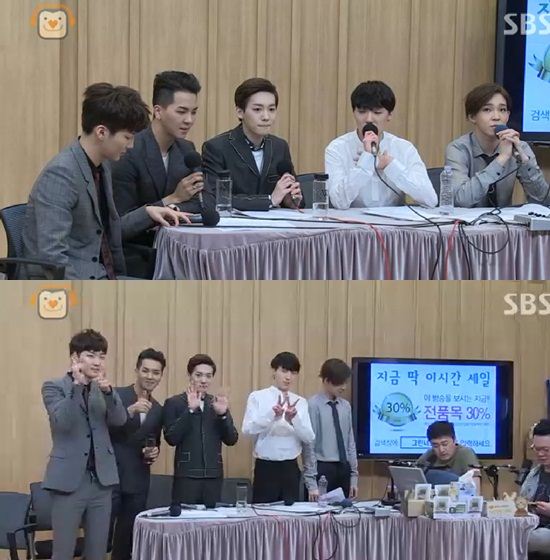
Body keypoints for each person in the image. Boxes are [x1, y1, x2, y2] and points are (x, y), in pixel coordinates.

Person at [22, 82, 188, 280]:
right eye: (127, 137)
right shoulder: (61, 175)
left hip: (104, 275)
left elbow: (106, 230)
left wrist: (147, 213)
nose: (131, 145)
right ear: (101, 132)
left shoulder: (102, 166)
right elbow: (51, 257)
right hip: (72, 284)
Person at [112, 71, 212, 277]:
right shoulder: (129, 150)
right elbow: (120, 225)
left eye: (194, 112)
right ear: (158, 111)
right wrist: (171, 200)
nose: (189, 120)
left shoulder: (186, 149)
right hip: (136, 256)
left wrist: (173, 206)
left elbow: (202, 202)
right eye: (181, 112)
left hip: (178, 253)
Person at [41, 329, 126, 560]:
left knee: (98, 552)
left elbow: (120, 420)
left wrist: (109, 393)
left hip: (101, 482)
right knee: (63, 552)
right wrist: (77, 387)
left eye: (102, 356)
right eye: (91, 355)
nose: (98, 362)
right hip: (68, 482)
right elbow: (62, 422)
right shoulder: (54, 386)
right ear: (75, 357)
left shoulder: (103, 389)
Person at [325, 81, 437, 209]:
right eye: (362, 112)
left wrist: (391, 165)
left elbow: (430, 200)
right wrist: (366, 161)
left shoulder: (404, 148)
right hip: (353, 220)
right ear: (354, 113)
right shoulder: (337, 148)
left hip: (394, 221)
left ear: (389, 115)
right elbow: (338, 202)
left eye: (377, 113)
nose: (369, 119)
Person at [202, 78, 302, 210]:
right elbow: (215, 198)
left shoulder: (280, 146)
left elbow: (294, 195)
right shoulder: (216, 147)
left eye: (271, 109)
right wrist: (269, 200)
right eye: (257, 109)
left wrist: (290, 200)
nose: (266, 117)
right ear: (240, 112)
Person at [445, 82, 549, 208]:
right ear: (472, 117)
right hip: (466, 220)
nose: (496, 117)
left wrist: (525, 162)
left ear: (508, 116)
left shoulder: (519, 147)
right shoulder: (458, 149)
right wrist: (501, 159)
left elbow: (543, 201)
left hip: (505, 220)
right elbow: (460, 200)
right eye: (487, 110)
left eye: (502, 110)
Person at [109, 348, 166, 560]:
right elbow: (102, 430)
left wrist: (152, 452)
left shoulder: (158, 409)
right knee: (100, 539)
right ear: (137, 370)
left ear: (161, 376)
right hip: (109, 479)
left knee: (126, 541)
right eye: (146, 370)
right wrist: (130, 411)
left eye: (156, 372)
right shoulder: (116, 396)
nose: (150, 376)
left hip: (137, 480)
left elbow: (154, 440)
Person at [163, 354, 238, 506]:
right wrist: (190, 411)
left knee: (212, 518)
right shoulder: (174, 402)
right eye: (198, 375)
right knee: (186, 518)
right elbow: (171, 438)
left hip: (213, 476)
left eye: (208, 376)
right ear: (190, 375)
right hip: (186, 476)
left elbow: (232, 439)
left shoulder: (217, 403)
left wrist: (223, 415)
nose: (204, 380)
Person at [242, 352, 315, 503]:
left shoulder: (300, 402)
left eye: (293, 373)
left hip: (291, 467)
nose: (288, 377)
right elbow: (247, 429)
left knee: (290, 514)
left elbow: (309, 437)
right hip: (266, 467)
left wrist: (293, 420)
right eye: (284, 371)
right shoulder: (257, 397)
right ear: (274, 371)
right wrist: (271, 416)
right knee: (263, 513)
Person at [303, 359, 358, 501]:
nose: (344, 387)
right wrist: (311, 482)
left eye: (345, 382)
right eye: (339, 383)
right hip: (322, 468)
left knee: (344, 511)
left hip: (344, 468)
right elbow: (309, 444)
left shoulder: (345, 406)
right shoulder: (313, 405)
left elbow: (350, 442)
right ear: (326, 381)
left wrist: (354, 477)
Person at [520, 419, 550, 554]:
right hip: (531, 525)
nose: (540, 454)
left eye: (546, 450)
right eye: (537, 449)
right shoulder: (534, 473)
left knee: (539, 539)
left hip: (544, 533)